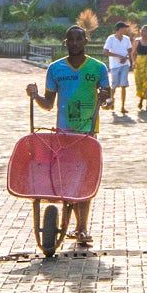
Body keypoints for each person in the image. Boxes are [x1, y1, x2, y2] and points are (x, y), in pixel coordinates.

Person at [27, 26, 112, 246]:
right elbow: (48, 104)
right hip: (63, 135)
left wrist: (105, 99)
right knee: (67, 179)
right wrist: (35, 95)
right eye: (70, 40)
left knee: (85, 179)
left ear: (85, 41)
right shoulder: (56, 69)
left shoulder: (98, 68)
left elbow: (108, 100)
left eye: (78, 39)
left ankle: (81, 227)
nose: (74, 43)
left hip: (88, 133)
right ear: (66, 42)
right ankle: (72, 224)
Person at [102, 20, 133, 116]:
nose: (125, 29)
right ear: (119, 29)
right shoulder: (111, 38)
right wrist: (119, 56)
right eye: (124, 27)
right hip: (115, 65)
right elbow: (105, 52)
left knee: (124, 85)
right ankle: (111, 102)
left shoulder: (126, 39)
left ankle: (123, 107)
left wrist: (127, 57)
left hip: (125, 64)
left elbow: (130, 50)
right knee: (114, 85)